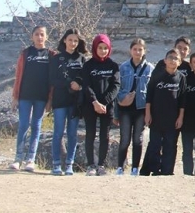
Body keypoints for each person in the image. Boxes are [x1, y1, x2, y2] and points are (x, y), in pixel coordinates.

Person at [10, 26, 55, 172]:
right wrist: (15, 96)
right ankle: (18, 159)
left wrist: (50, 100)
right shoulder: (26, 53)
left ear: (46, 37)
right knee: (23, 125)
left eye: (42, 35)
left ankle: (31, 160)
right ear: (32, 36)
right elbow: (19, 76)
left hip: (41, 97)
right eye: (37, 34)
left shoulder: (51, 55)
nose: (39, 37)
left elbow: (52, 80)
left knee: (36, 126)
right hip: (25, 96)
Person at [49, 28, 87, 176]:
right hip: (60, 100)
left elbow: (84, 77)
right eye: (70, 40)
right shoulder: (56, 59)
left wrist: (78, 84)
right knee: (58, 132)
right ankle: (56, 164)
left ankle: (69, 164)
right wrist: (68, 83)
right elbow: (52, 79)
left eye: (75, 40)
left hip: (75, 102)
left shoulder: (82, 58)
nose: (72, 43)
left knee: (72, 134)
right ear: (64, 40)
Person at [81, 34, 120, 176]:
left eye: (105, 48)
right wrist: (95, 102)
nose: (102, 51)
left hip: (107, 107)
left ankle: (101, 165)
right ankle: (91, 165)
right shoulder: (88, 65)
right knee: (90, 134)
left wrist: (103, 103)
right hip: (90, 105)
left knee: (105, 136)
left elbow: (116, 86)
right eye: (100, 48)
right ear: (94, 48)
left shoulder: (113, 66)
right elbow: (86, 85)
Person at [143, 48, 186, 175]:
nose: (173, 60)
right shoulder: (157, 75)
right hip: (156, 117)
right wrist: (148, 113)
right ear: (165, 60)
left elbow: (183, 99)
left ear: (180, 62)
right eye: (171, 58)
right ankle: (155, 170)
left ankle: (167, 171)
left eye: (176, 58)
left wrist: (180, 117)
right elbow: (149, 95)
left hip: (173, 118)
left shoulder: (181, 77)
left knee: (170, 145)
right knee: (155, 145)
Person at [115, 38, 154, 176]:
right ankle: (120, 167)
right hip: (125, 108)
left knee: (138, 139)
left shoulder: (150, 68)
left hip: (141, 108)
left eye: (140, 49)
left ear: (144, 51)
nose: (137, 52)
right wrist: (119, 106)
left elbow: (152, 91)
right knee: (125, 138)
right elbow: (117, 89)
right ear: (130, 50)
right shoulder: (123, 67)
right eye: (135, 49)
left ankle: (135, 168)